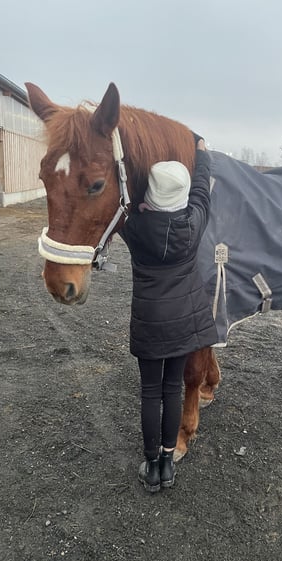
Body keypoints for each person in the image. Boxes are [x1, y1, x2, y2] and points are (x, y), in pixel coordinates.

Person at [118, 133, 218, 493]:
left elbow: (120, 201)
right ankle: (168, 462)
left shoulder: (134, 227)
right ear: (183, 195)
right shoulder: (194, 224)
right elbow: (203, 190)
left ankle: (151, 464)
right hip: (185, 324)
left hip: (149, 325)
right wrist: (202, 154)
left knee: (150, 392)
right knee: (173, 389)